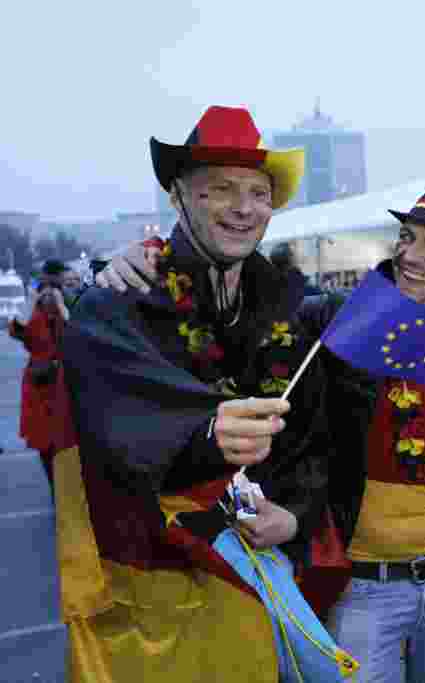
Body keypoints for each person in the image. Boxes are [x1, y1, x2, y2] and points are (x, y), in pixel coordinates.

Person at [100, 174, 425, 683]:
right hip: (367, 587)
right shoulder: (343, 325)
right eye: (408, 237)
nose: (410, 254)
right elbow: (238, 316)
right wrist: (135, 266)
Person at [62, 105, 345, 682]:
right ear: (178, 197)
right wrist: (206, 432)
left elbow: (319, 434)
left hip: (265, 566)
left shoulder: (291, 303)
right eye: (221, 189)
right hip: (161, 588)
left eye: (259, 193)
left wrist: (294, 516)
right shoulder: (120, 301)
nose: (244, 208)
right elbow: (115, 427)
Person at [8, 259, 74, 495]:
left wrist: (60, 303)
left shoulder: (68, 311)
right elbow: (16, 330)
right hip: (41, 387)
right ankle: (59, 496)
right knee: (46, 446)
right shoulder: (34, 315)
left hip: (67, 385)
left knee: (70, 446)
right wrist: (32, 300)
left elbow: (77, 332)